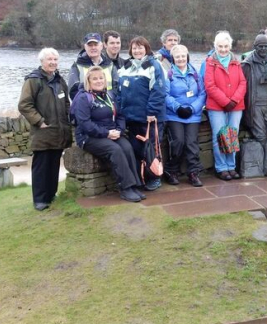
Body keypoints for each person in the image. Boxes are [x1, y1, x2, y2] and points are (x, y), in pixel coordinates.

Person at [71, 67, 145, 202]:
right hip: (89, 137)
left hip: (112, 132)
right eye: (95, 78)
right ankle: (125, 188)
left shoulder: (110, 95)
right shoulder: (83, 98)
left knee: (127, 147)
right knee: (115, 150)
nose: (99, 81)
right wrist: (106, 133)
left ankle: (135, 185)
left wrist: (119, 130)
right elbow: (84, 123)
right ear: (88, 81)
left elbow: (121, 116)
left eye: (101, 78)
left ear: (105, 80)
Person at [18, 48, 72, 211]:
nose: (53, 62)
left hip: (59, 131)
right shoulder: (33, 81)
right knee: (41, 166)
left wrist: (68, 119)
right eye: (50, 59)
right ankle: (40, 199)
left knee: (54, 164)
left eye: (55, 59)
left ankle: (51, 194)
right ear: (42, 61)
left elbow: (66, 103)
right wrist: (39, 121)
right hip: (43, 132)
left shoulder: (59, 80)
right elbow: (24, 105)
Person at [117, 36, 167, 191]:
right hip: (131, 118)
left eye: (140, 47)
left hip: (149, 118)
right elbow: (119, 92)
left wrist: (151, 112)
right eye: (134, 48)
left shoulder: (153, 65)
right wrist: (120, 111)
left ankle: (154, 178)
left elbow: (158, 91)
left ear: (146, 49)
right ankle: (140, 177)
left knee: (151, 149)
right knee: (136, 149)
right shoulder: (125, 66)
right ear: (130, 50)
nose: (137, 50)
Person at [205, 31, 247, 181]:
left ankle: (231, 166)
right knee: (219, 136)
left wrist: (234, 100)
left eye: (225, 46)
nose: (223, 49)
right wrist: (225, 101)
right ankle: (221, 168)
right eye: (220, 46)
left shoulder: (236, 61)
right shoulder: (210, 62)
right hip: (217, 106)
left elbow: (242, 82)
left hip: (236, 106)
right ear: (215, 46)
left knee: (232, 135)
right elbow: (210, 86)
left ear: (230, 46)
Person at [241, 34, 267, 177]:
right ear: (255, 47)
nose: (264, 49)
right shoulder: (247, 64)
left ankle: (266, 164)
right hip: (255, 105)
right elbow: (243, 86)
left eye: (266, 46)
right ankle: (266, 165)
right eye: (260, 46)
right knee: (260, 134)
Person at [164, 44, 207, 187]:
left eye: (183, 56)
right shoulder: (169, 75)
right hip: (174, 115)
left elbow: (202, 94)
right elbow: (165, 94)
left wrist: (192, 108)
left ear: (187, 56)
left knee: (191, 143)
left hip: (193, 115)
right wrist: (178, 108)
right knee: (178, 142)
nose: (181, 59)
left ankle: (193, 172)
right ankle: (172, 171)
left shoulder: (195, 74)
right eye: (177, 57)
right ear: (173, 58)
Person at [68, 32, 119, 100]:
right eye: (90, 45)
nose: (93, 47)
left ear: (101, 46)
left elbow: (117, 88)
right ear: (85, 47)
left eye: (96, 44)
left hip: (108, 106)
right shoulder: (76, 67)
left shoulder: (110, 65)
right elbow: (73, 91)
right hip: (86, 107)